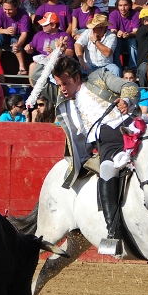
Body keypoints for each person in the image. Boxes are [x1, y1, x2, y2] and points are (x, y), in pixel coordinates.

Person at [51, 54, 140, 253]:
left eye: (65, 83)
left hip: (129, 125)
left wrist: (125, 100)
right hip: (105, 141)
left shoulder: (99, 77)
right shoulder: (64, 103)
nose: (62, 89)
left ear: (76, 78)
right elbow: (38, 77)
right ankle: (113, 234)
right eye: (59, 84)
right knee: (108, 169)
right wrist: (55, 54)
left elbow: (130, 87)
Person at [0, 0, 30, 75]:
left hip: (18, 36)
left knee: (15, 41)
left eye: (9, 9)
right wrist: (5, 31)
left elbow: (24, 33)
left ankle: (22, 68)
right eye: (5, 9)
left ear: (16, 7)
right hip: (4, 35)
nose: (7, 12)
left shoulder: (23, 14)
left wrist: (18, 45)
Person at [109, 0, 139, 70]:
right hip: (119, 39)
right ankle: (118, 68)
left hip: (130, 39)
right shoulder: (113, 14)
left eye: (125, 5)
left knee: (133, 41)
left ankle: (133, 68)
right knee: (115, 40)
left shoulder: (135, 14)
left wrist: (128, 35)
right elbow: (113, 30)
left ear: (129, 5)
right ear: (117, 6)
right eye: (120, 5)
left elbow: (136, 31)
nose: (123, 8)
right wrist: (117, 33)